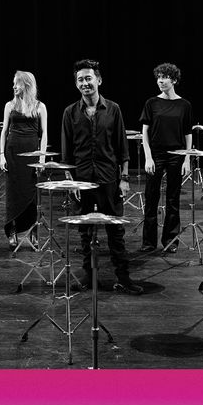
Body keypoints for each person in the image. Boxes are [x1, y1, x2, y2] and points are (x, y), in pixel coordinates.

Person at [61, 59, 142, 295]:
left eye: (88, 78)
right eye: (80, 80)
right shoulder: (69, 112)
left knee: (116, 232)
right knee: (85, 232)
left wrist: (124, 178)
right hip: (83, 180)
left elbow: (122, 148)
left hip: (109, 179)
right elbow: (67, 153)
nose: (85, 83)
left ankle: (123, 278)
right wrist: (70, 181)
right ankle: (88, 276)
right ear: (76, 85)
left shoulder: (113, 109)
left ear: (99, 80)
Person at [139, 62, 193, 254]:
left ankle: (171, 240)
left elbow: (188, 133)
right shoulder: (152, 103)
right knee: (151, 198)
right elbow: (144, 132)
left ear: (174, 80)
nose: (160, 81)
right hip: (156, 154)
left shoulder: (184, 105)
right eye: (158, 77)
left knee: (172, 199)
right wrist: (148, 157)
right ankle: (148, 242)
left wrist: (187, 159)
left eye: (164, 77)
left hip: (176, 155)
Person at [0, 70, 48, 248]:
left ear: (26, 85)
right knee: (13, 193)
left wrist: (41, 159)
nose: (13, 86)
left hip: (31, 153)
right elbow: (4, 132)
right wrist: (2, 156)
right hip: (13, 151)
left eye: (16, 83)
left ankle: (33, 229)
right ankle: (12, 230)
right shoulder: (9, 106)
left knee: (31, 193)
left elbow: (44, 135)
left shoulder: (39, 106)